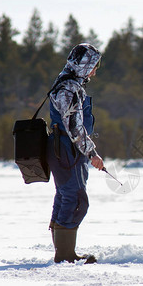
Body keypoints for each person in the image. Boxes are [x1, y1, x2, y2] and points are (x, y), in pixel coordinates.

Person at [47, 43, 104, 264]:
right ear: (83, 65)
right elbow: (74, 127)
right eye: (93, 66)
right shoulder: (69, 88)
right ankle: (64, 255)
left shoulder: (69, 84)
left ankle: (64, 253)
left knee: (66, 196)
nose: (94, 71)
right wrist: (92, 154)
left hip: (66, 149)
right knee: (76, 199)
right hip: (67, 150)